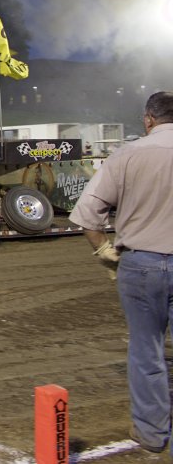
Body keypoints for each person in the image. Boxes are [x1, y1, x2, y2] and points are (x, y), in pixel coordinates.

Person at [70, 91, 173, 454]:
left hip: (141, 264)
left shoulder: (127, 155)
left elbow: (87, 216)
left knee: (147, 350)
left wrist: (104, 251)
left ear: (149, 119)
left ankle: (152, 432)